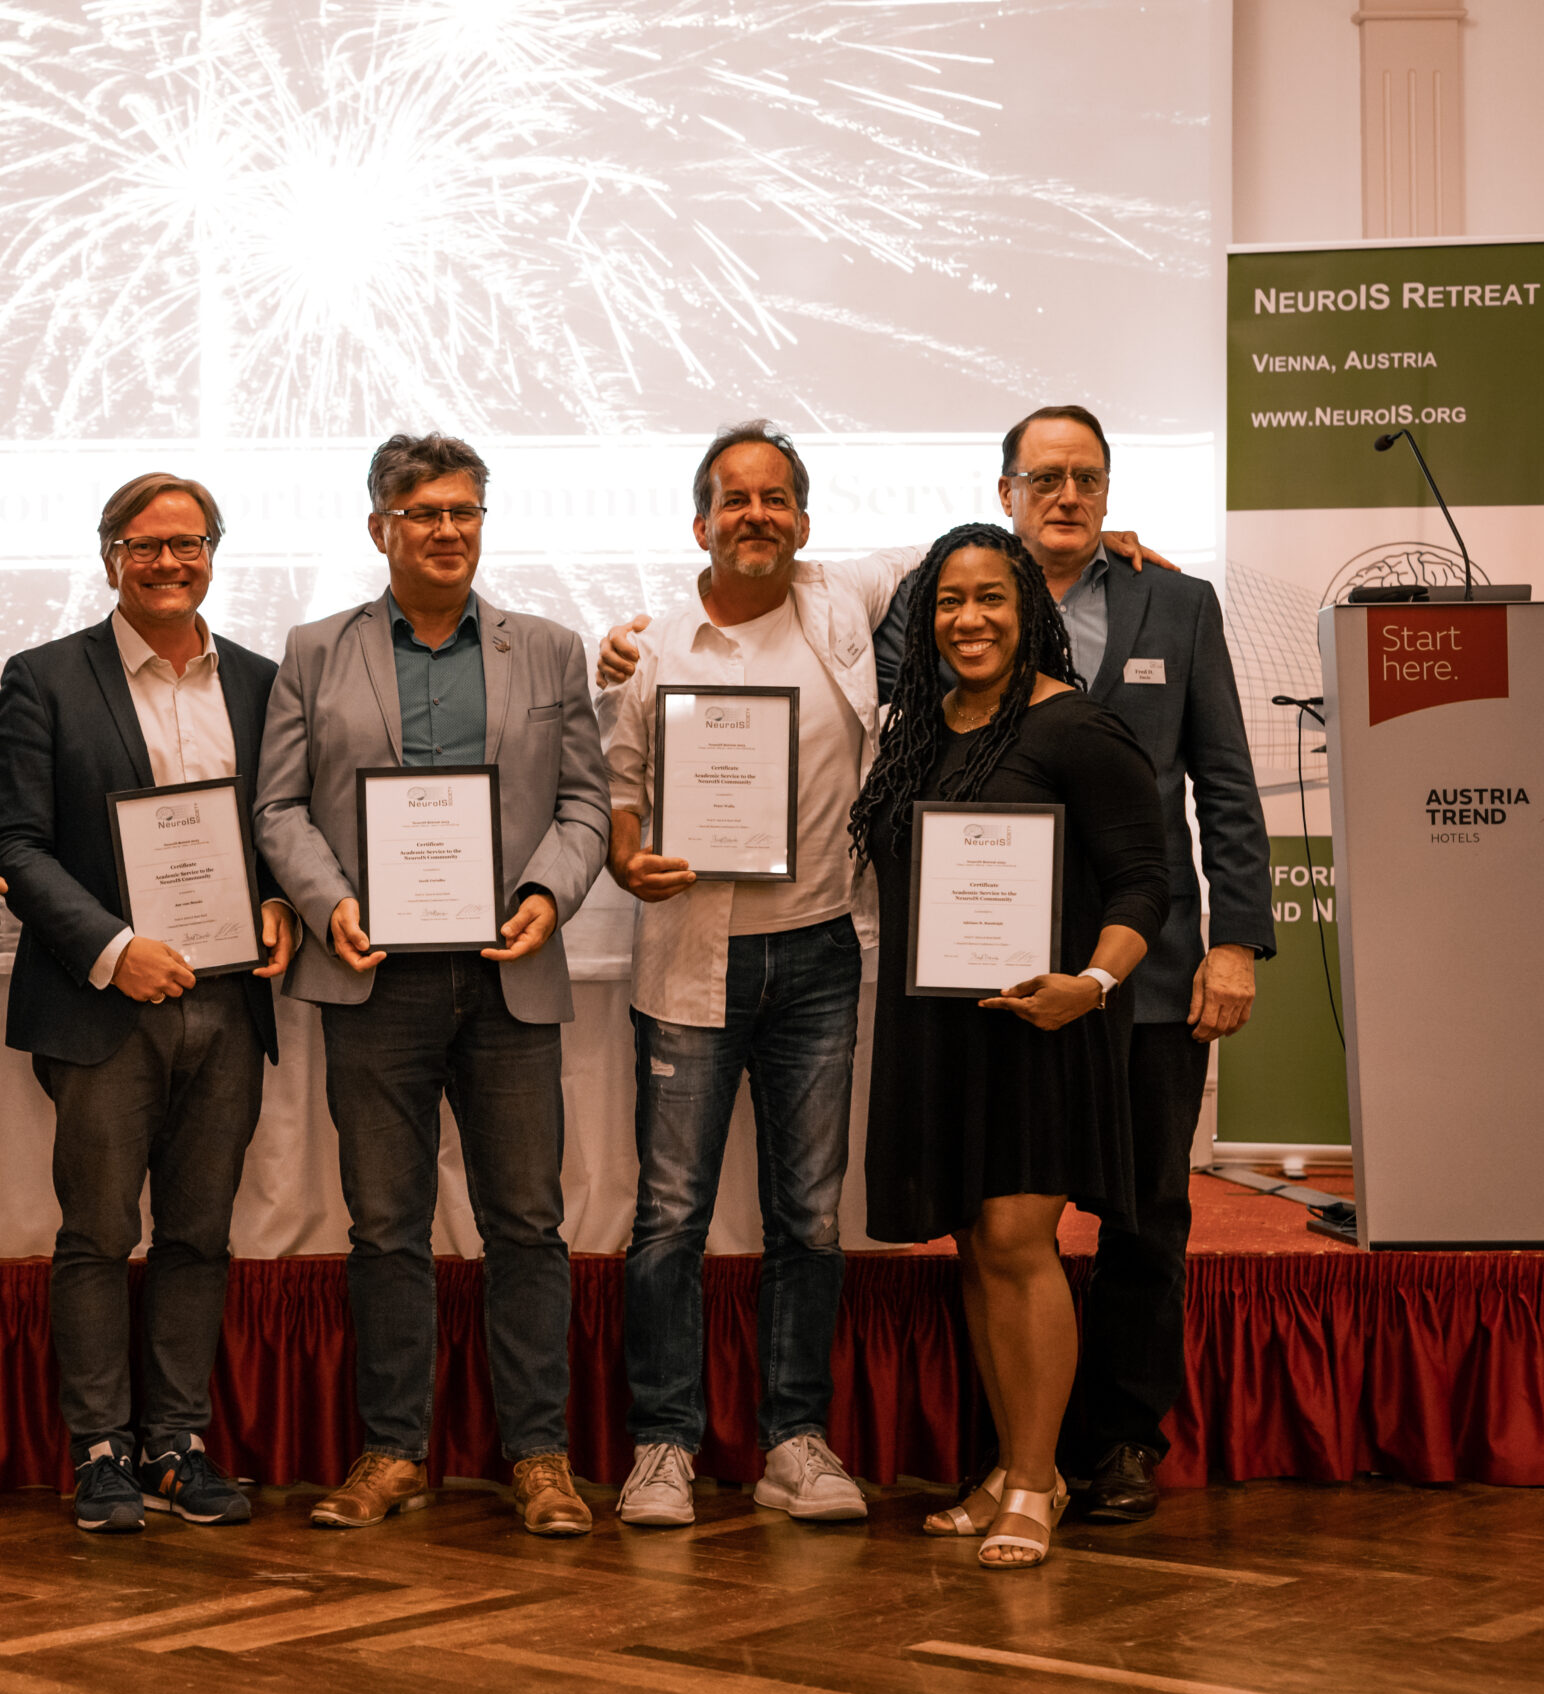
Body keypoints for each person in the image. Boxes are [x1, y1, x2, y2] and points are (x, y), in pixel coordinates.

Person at [873, 407, 1272, 1521]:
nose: (1067, 494)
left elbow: (1223, 779)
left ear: (1109, 490)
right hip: (991, 988)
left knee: (1145, 1213)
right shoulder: (940, 604)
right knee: (1001, 1222)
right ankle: (1018, 1455)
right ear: (1003, 491)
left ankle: (1122, 1439)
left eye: (1086, 477)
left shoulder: (1176, 603)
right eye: (1043, 476)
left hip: (1145, 970)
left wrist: (1235, 939)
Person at [253, 433, 610, 1537]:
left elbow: (585, 805)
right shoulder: (315, 651)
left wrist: (548, 893)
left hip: (509, 976)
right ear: (380, 528)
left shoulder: (548, 650)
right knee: (386, 1228)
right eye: (422, 513)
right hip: (374, 980)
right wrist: (329, 904)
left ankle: (539, 1456)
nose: (446, 530)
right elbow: (278, 807)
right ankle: (393, 1452)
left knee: (527, 1225)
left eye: (463, 511)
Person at [851, 521, 1170, 1569]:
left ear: (1029, 609)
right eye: (949, 600)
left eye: (991, 597)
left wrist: (1091, 984)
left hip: (1041, 1027)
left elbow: (1144, 884)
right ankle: (1008, 1466)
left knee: (1017, 1241)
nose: (969, 618)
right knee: (978, 1247)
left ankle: (1037, 1481)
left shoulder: (1078, 727)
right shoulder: (918, 729)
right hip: (940, 1028)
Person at [0, 473, 297, 1534]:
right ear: (108, 554)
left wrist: (277, 904)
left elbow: (278, 825)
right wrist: (113, 950)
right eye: (144, 543)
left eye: (188, 542)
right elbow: (16, 842)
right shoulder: (42, 678)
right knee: (98, 1231)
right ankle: (100, 1451)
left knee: (198, 1235)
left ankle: (175, 1443)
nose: (169, 561)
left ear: (214, 550)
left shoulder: (259, 681)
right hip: (103, 1006)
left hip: (229, 1003)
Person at [597, 423, 894, 1528]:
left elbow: (972, 549)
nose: (756, 515)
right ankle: (662, 1445)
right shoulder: (650, 649)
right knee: (669, 1218)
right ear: (701, 524)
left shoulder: (842, 603)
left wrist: (1102, 542)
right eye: (735, 499)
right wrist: (628, 860)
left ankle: (794, 1443)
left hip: (819, 951)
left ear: (803, 522)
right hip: (691, 958)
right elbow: (620, 791)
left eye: (776, 499)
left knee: (807, 1218)